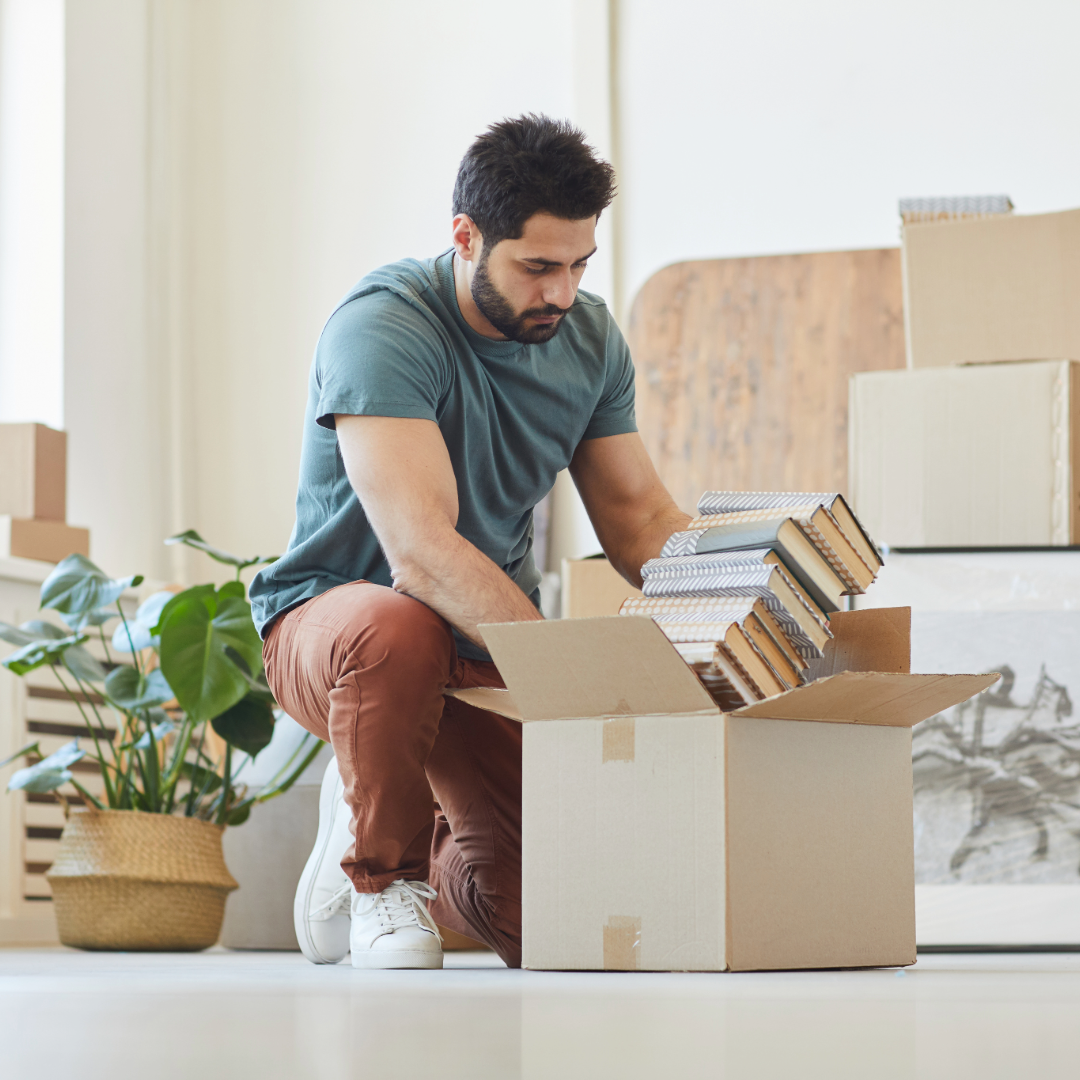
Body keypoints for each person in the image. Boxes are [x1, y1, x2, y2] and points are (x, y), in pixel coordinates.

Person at [250, 114, 691, 970]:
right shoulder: (383, 326)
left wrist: (754, 598)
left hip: (479, 649)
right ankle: (380, 875)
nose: (561, 292)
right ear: (466, 237)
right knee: (396, 626)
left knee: (549, 919)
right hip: (340, 636)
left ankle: (400, 805)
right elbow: (421, 551)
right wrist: (567, 681)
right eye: (537, 267)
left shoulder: (589, 340)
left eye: (577, 265)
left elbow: (640, 522)